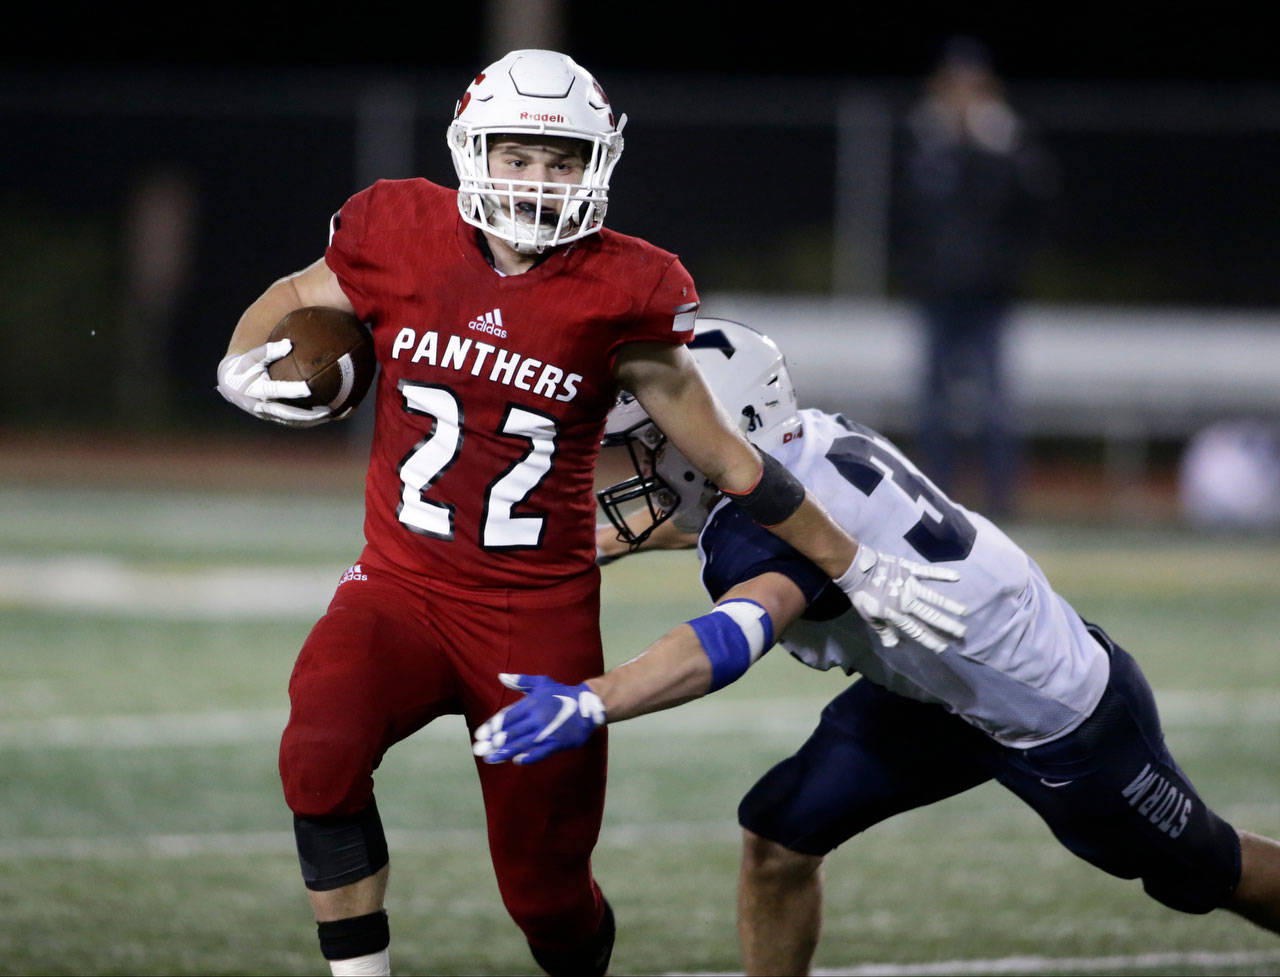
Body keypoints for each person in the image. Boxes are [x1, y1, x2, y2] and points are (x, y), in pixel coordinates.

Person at [214, 51, 965, 977]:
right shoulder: (393, 227)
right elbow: (296, 296)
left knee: (546, 893)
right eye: (518, 156)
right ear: (472, 150)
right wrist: (239, 358)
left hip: (535, 613)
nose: (537, 182)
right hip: (399, 584)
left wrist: (853, 563)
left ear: (596, 166)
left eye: (560, 161)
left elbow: (732, 461)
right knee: (318, 754)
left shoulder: (626, 289)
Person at [474, 317, 1280, 975]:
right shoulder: (804, 442)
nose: (648, 449)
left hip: (1056, 714)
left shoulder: (765, 530)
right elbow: (782, 526)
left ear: (728, 426)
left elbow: (734, 633)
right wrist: (631, 538)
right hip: (936, 687)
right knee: (780, 832)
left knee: (1202, 871)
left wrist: (595, 697)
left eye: (665, 429)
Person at [897, 35, 1060, 517]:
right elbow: (907, 216)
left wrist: (996, 148)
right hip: (936, 292)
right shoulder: (924, 145)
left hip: (990, 293)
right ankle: (938, 500)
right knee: (933, 406)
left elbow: (1031, 209)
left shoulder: (1008, 145)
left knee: (993, 404)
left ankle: (1001, 504)